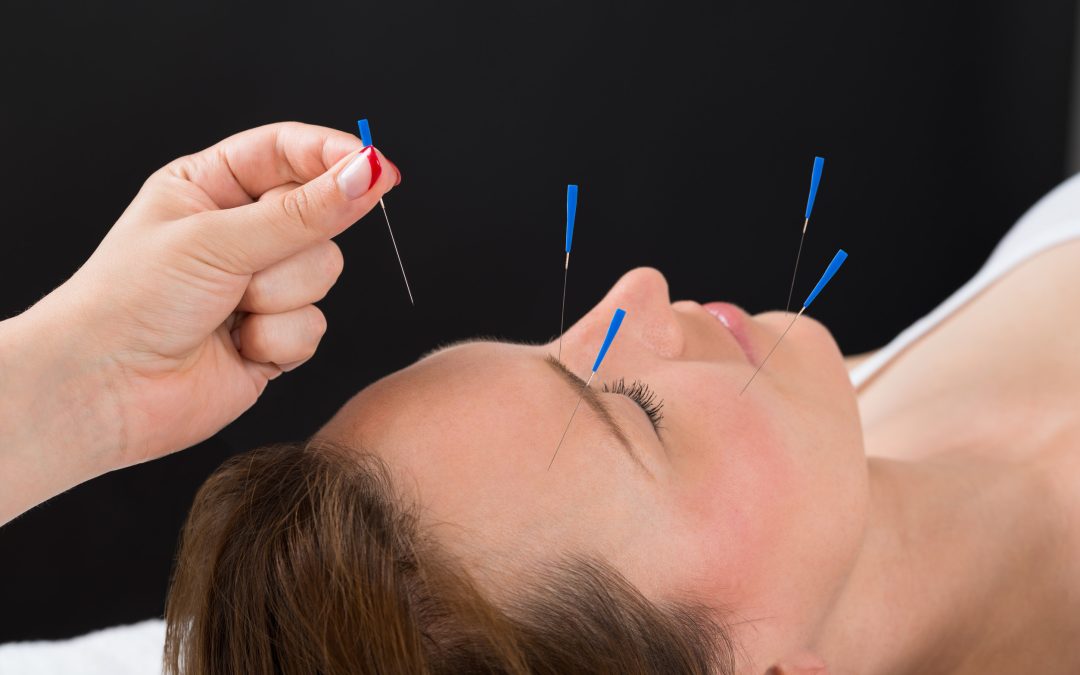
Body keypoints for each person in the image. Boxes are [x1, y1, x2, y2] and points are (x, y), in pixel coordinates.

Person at [3, 122, 1080, 674]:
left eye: (555, 347)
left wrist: (68, 390)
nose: (638, 294)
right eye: (636, 413)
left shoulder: (827, 443)